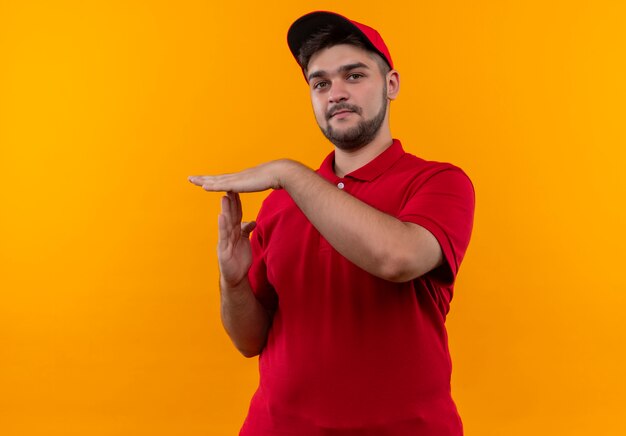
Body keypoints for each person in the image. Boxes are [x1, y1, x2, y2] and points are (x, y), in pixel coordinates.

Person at [189, 11, 475, 435]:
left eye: (354, 76)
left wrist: (289, 172)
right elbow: (249, 341)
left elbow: (397, 258)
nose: (335, 93)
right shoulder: (280, 202)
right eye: (320, 83)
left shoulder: (439, 182)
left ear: (391, 85)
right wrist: (232, 284)